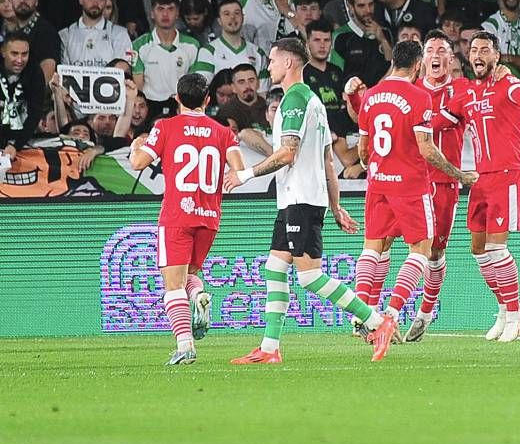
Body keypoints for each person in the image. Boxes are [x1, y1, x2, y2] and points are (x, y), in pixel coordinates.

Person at [226, 37, 398, 364]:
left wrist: (244, 175)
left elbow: (287, 154)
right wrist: (335, 205)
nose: (269, 66)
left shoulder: (294, 101)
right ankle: (269, 348)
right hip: (299, 199)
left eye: (273, 60)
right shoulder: (314, 102)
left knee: (309, 276)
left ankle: (377, 321)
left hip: (300, 200)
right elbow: (328, 161)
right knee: (275, 268)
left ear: (289, 63)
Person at [356, 39, 478, 346]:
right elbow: (426, 148)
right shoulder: (418, 96)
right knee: (422, 250)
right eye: (429, 53)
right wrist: (460, 174)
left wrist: (379, 166)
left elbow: (363, 150)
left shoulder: (370, 96)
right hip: (412, 185)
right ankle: (392, 314)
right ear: (418, 64)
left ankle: (362, 312)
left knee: (373, 248)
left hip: (378, 182)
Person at [128, 73, 246, 365]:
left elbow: (137, 163)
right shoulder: (223, 132)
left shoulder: (165, 126)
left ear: (177, 98)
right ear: (208, 100)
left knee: (172, 285)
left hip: (177, 215)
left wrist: (136, 145)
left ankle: (185, 346)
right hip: (209, 217)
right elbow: (239, 170)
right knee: (189, 277)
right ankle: (199, 296)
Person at [443, 31, 520, 342]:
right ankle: (505, 308)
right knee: (478, 249)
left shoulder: (508, 83)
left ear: (496, 56)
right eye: (474, 49)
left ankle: (516, 314)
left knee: (496, 247)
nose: (478, 55)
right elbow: (442, 120)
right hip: (479, 178)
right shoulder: (466, 93)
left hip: (507, 175)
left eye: (485, 50)